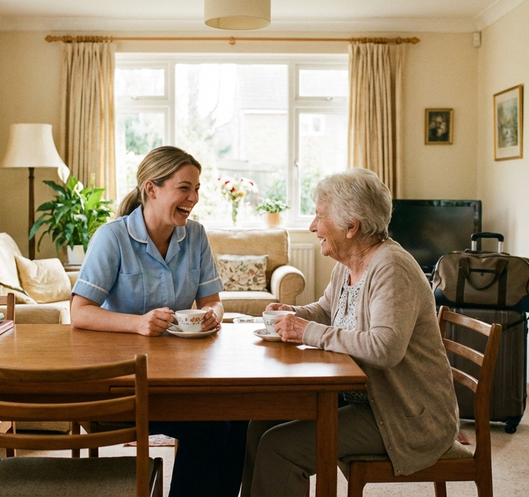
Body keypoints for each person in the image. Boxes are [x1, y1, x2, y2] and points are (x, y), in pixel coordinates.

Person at [240, 168, 459, 496]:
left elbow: (385, 348)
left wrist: (306, 330)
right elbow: (327, 311)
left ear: (351, 226)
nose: (313, 226)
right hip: (360, 399)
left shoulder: (391, 268)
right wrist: (293, 313)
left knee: (279, 448)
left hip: (404, 415)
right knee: (261, 423)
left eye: (318, 216)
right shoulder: (348, 264)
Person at [71, 146, 247, 497]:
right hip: (122, 387)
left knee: (238, 413)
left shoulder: (195, 235)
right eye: (184, 188)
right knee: (213, 429)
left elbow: (212, 300)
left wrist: (214, 314)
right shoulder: (113, 238)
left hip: (180, 378)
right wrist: (136, 324)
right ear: (152, 189)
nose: (193, 198)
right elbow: (79, 312)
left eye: (196, 189)